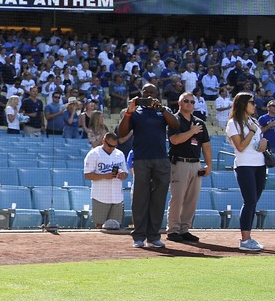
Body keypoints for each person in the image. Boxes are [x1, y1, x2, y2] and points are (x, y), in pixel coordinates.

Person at [117, 83, 178, 250]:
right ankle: (138, 236)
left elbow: (176, 125)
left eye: (152, 93)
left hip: (161, 159)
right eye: (146, 92)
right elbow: (121, 133)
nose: (148, 95)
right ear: (141, 94)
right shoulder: (135, 112)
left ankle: (153, 236)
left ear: (157, 94)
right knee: (139, 199)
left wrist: (163, 109)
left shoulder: (163, 111)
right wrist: (129, 112)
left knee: (158, 199)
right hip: (141, 160)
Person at [165, 93, 213, 243]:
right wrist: (191, 132)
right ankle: (173, 230)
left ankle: (184, 229)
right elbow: (175, 140)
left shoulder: (199, 123)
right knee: (177, 198)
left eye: (192, 102)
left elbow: (206, 145)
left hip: (195, 163)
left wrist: (209, 165)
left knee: (192, 199)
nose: (189, 104)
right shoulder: (174, 120)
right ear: (179, 102)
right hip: (179, 163)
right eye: (186, 101)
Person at [225, 91, 268, 252]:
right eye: (251, 102)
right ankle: (245, 239)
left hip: (260, 164)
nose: (254, 105)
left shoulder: (253, 121)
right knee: (249, 201)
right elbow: (241, 147)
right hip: (245, 165)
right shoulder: (233, 123)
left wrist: (264, 142)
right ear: (243, 104)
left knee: (253, 201)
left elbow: (257, 143)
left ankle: (248, 237)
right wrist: (251, 131)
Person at [82, 131, 128, 229]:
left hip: (117, 197)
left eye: (114, 146)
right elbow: (87, 175)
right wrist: (104, 176)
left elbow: (126, 174)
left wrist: (122, 175)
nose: (112, 148)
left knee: (116, 226)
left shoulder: (119, 154)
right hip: (100, 196)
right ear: (104, 141)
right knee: (99, 225)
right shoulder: (94, 154)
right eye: (109, 145)